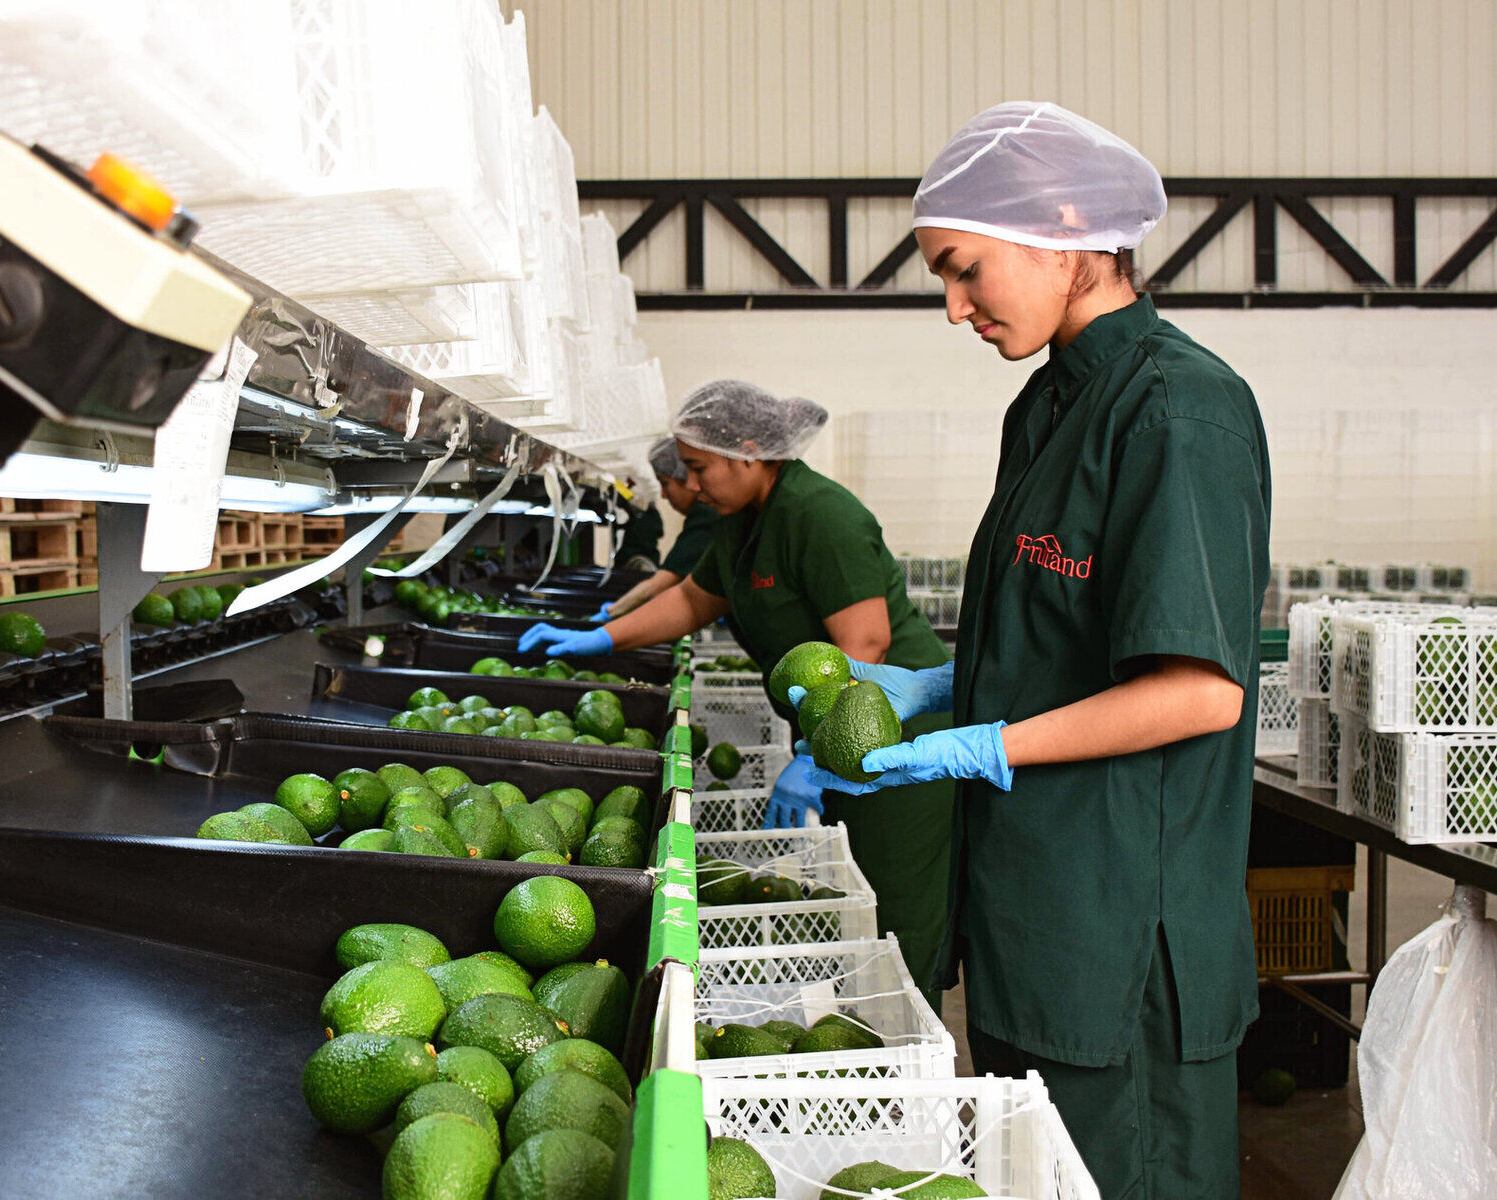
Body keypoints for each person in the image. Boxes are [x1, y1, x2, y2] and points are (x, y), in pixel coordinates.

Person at [804, 102, 1270, 1200]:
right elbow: (1054, 639)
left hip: (1118, 943)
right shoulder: (1050, 405)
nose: (954, 307)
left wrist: (980, 745)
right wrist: (933, 690)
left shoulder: (1176, 410)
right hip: (1034, 922)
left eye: (964, 270)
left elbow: (1200, 692)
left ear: (1066, 231)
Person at [519, 382, 956, 1005]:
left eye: (699, 468)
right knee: (855, 902)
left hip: (898, 742)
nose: (691, 486)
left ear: (748, 452)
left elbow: (867, 644)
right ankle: (857, 1040)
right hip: (840, 740)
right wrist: (600, 638)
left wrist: (815, 756)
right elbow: (695, 600)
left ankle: (910, 1071)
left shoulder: (819, 515)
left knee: (894, 913)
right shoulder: (740, 521)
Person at [595, 437, 721, 622]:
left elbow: (661, 584)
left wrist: (610, 615)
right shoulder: (705, 514)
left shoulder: (706, 515)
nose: (663, 494)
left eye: (665, 483)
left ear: (684, 478)